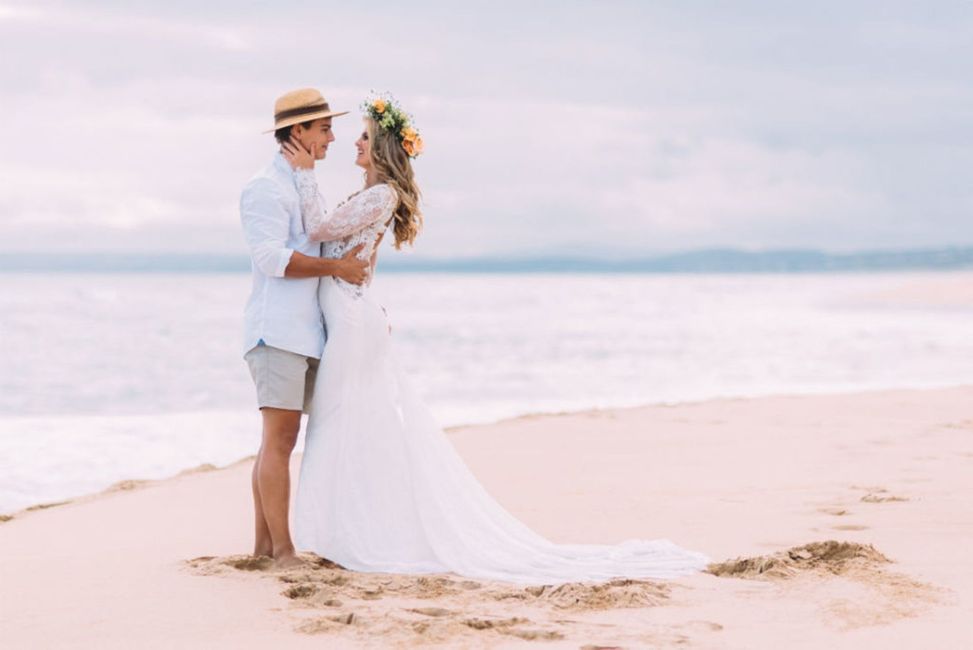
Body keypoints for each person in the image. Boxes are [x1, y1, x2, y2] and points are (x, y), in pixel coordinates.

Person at [284, 95, 708, 584]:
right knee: (347, 423)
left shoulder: (381, 196)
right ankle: (346, 529)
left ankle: (358, 534)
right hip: (352, 317)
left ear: (381, 147)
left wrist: (302, 172)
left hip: (354, 324)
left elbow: (318, 229)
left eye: (363, 136)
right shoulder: (370, 193)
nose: (354, 143)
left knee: (345, 423)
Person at [239, 88, 370, 568]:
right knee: (279, 441)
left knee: (278, 440)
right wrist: (336, 271)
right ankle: (284, 552)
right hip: (275, 333)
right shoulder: (265, 188)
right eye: (324, 129)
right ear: (299, 132)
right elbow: (271, 259)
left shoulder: (299, 180)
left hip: (302, 332)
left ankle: (263, 549)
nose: (332, 137)